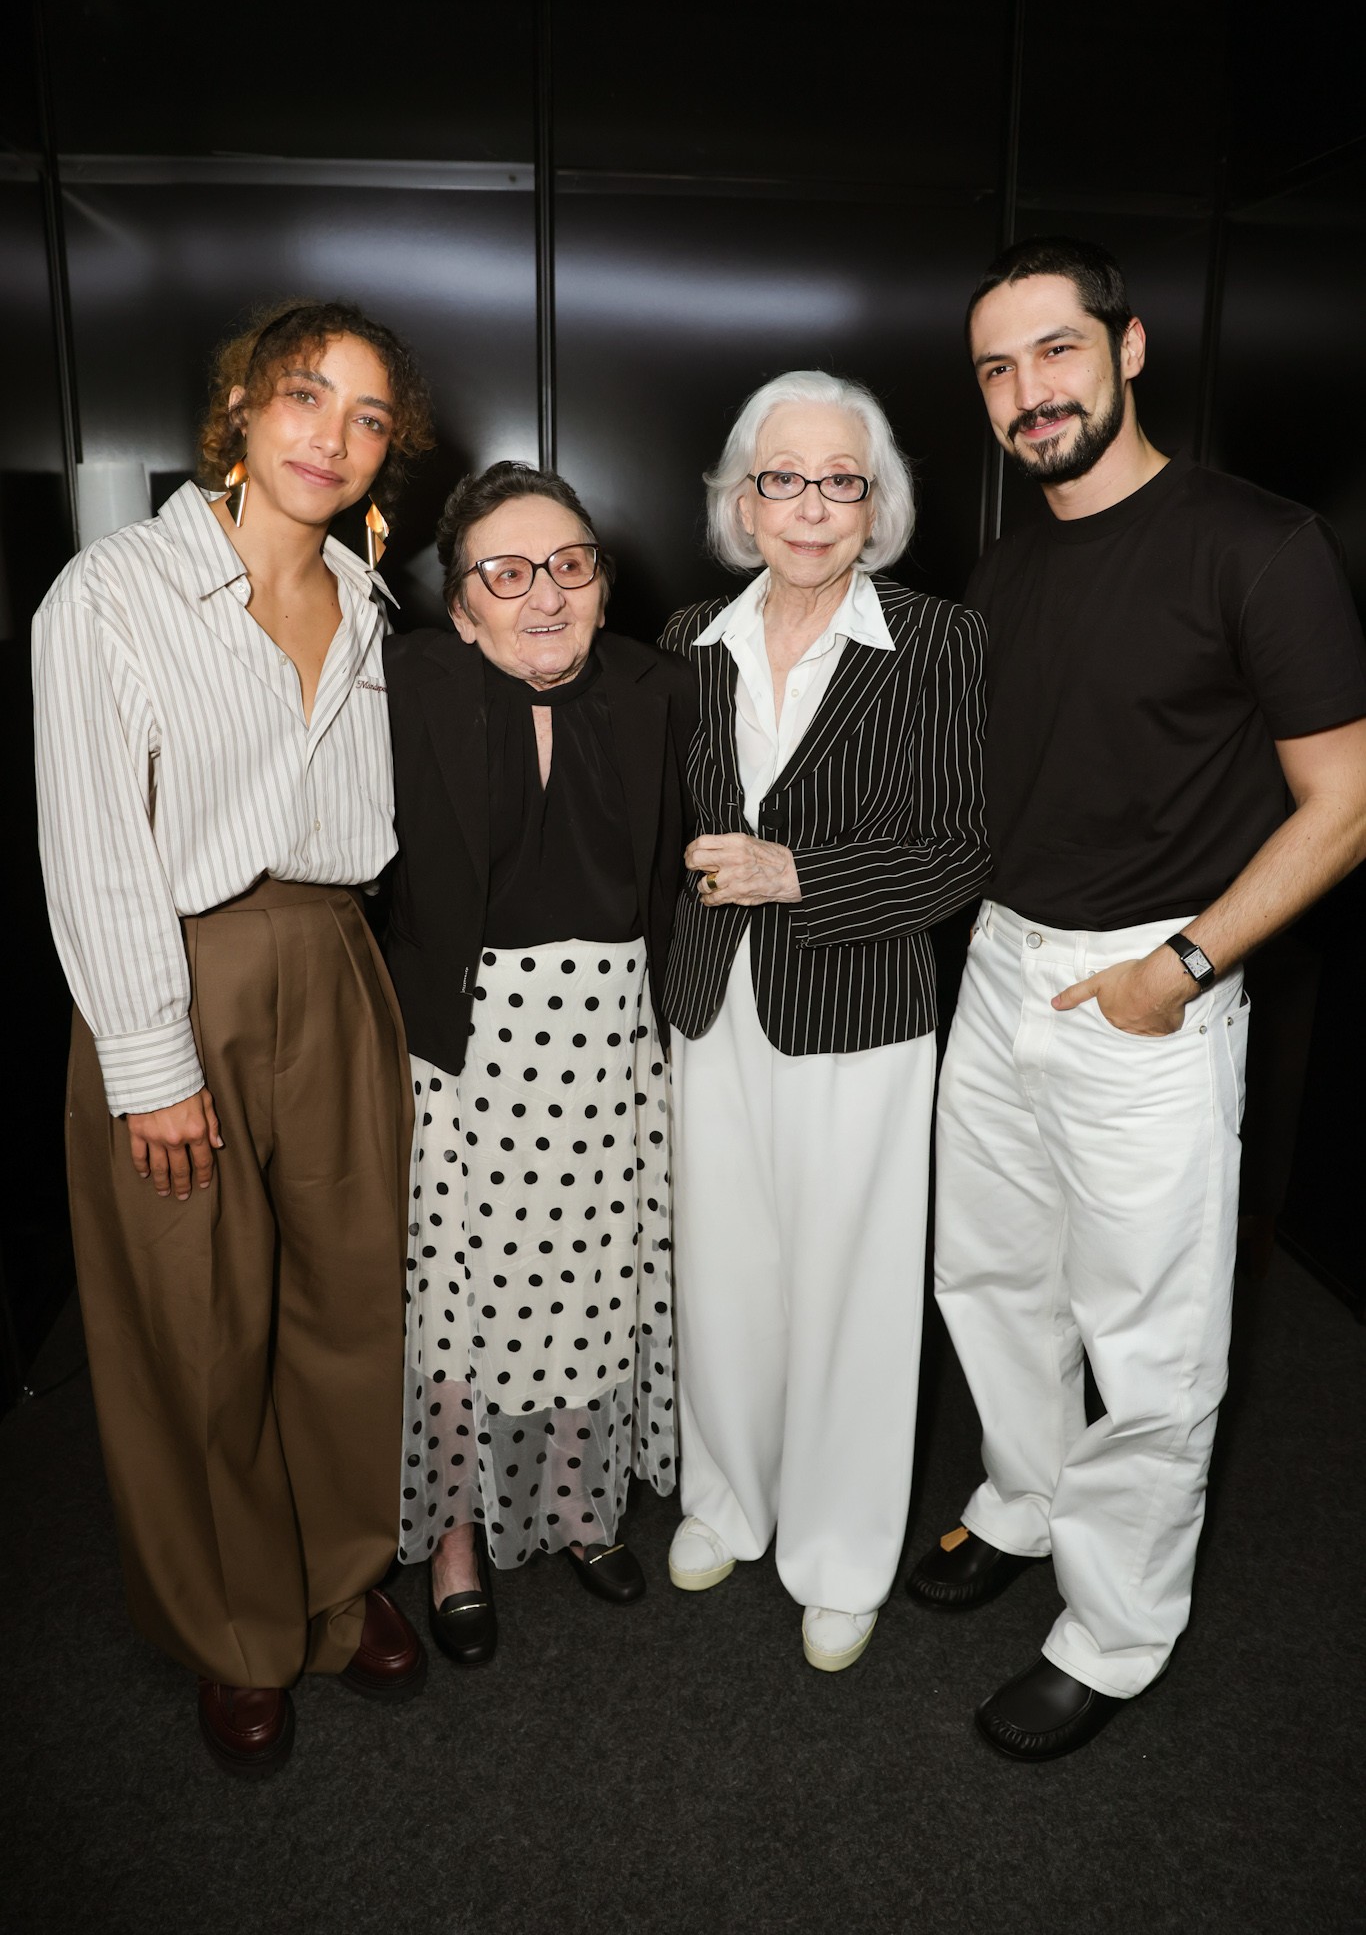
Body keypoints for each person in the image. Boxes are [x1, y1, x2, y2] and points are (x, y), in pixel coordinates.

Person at [911, 236, 1366, 1759]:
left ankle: (1110, 1636)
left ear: (1127, 349)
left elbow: (1348, 801)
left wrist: (1178, 973)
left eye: (1053, 350)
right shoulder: (1010, 558)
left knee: (1149, 1346)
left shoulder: (1258, 543)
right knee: (987, 1279)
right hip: (999, 965)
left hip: (1147, 988)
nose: (1026, 392)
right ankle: (1026, 1500)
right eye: (994, 367)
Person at [33, 299, 435, 1775]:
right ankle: (232, 1626)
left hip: (333, 964)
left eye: (369, 415)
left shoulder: (374, 601)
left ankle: (337, 1583)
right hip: (173, 975)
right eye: (304, 397)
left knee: (347, 1306)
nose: (332, 436)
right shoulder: (115, 592)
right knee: (197, 1331)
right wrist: (149, 1064)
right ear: (242, 411)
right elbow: (92, 849)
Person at [660, 369, 989, 1672]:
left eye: (839, 480)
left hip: (858, 1007)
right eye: (781, 478)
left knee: (852, 1287)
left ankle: (842, 1552)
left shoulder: (938, 643)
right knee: (719, 1265)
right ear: (743, 498)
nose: (809, 506)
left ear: (876, 503)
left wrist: (800, 874)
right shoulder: (692, 637)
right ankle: (723, 1499)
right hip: (709, 1002)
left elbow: (964, 846)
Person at [385, 461, 696, 1662]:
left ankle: (573, 1502)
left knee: (593, 1286)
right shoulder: (407, 682)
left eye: (569, 565)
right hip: (472, 1046)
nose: (544, 596)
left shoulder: (657, 689)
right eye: (505, 574)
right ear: (461, 606)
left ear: (602, 587)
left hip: (613, 1037)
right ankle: (456, 1532)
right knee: (461, 1305)